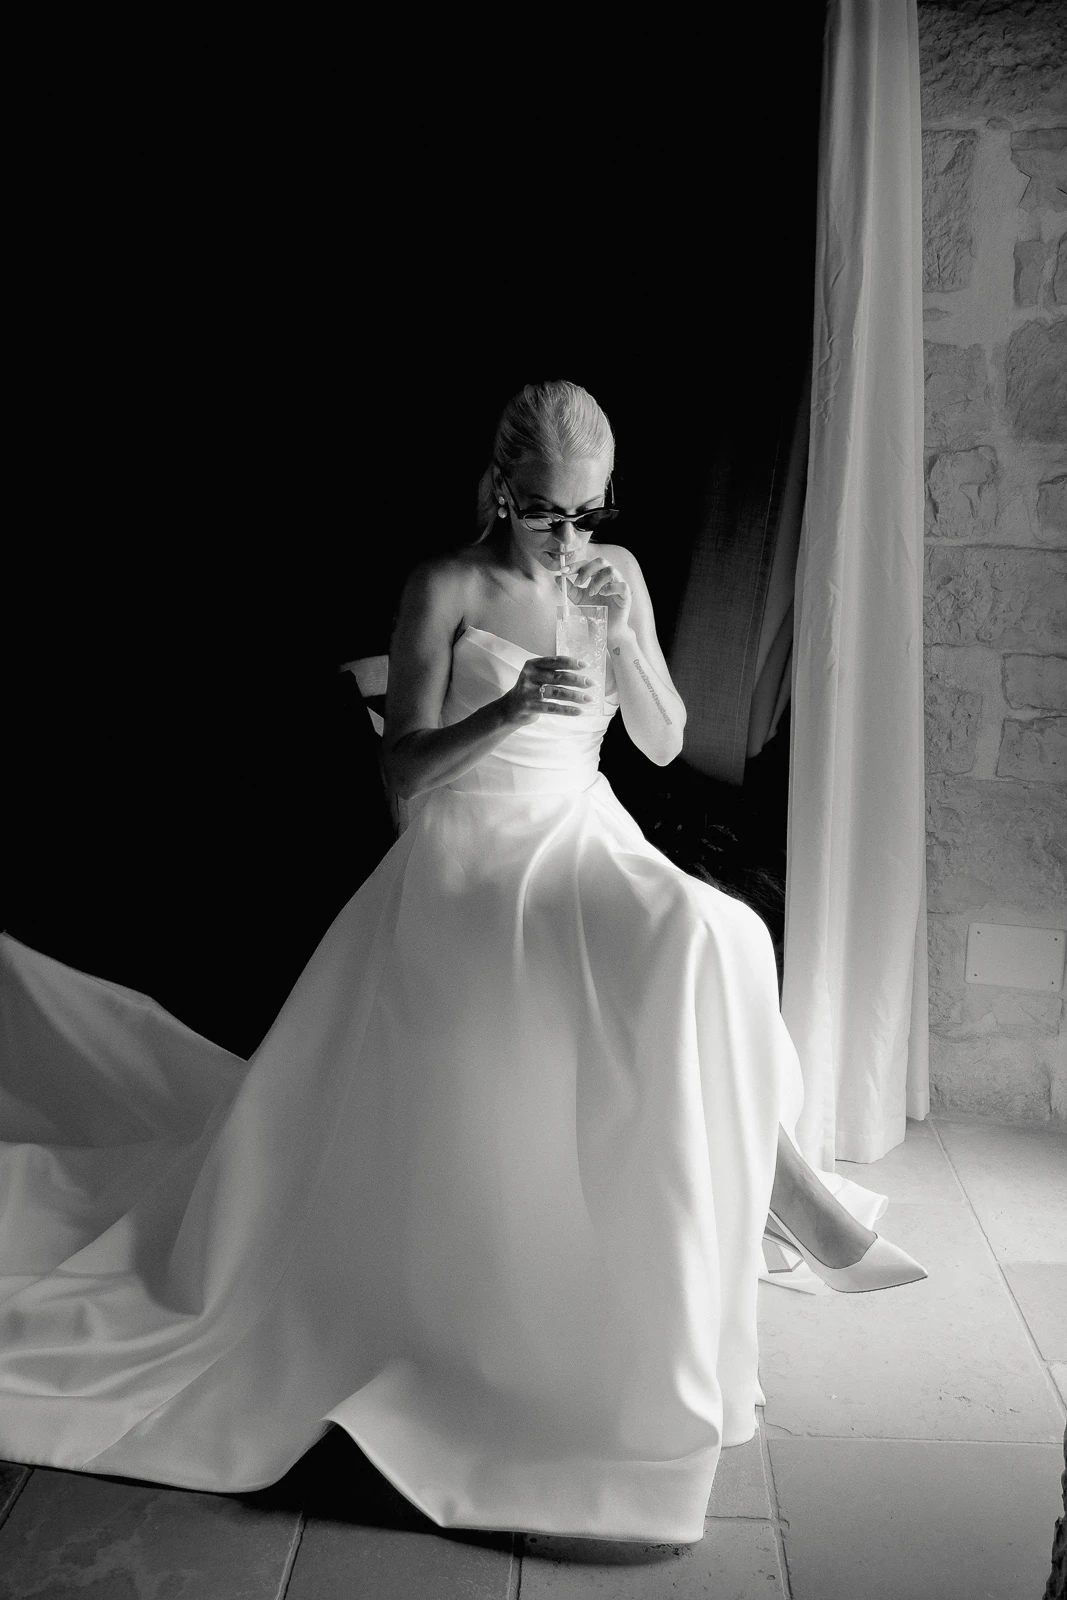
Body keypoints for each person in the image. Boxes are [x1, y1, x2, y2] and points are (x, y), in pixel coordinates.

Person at [0, 379, 924, 1547]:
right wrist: (513, 707)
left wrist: (626, 633)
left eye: (588, 513)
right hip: (468, 849)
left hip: (581, 826)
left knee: (723, 930)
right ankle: (779, 1194)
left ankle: (763, 1190)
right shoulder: (442, 585)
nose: (568, 538)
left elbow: (665, 739)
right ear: (500, 488)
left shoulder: (613, 573)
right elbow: (399, 783)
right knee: (693, 942)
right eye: (546, 513)